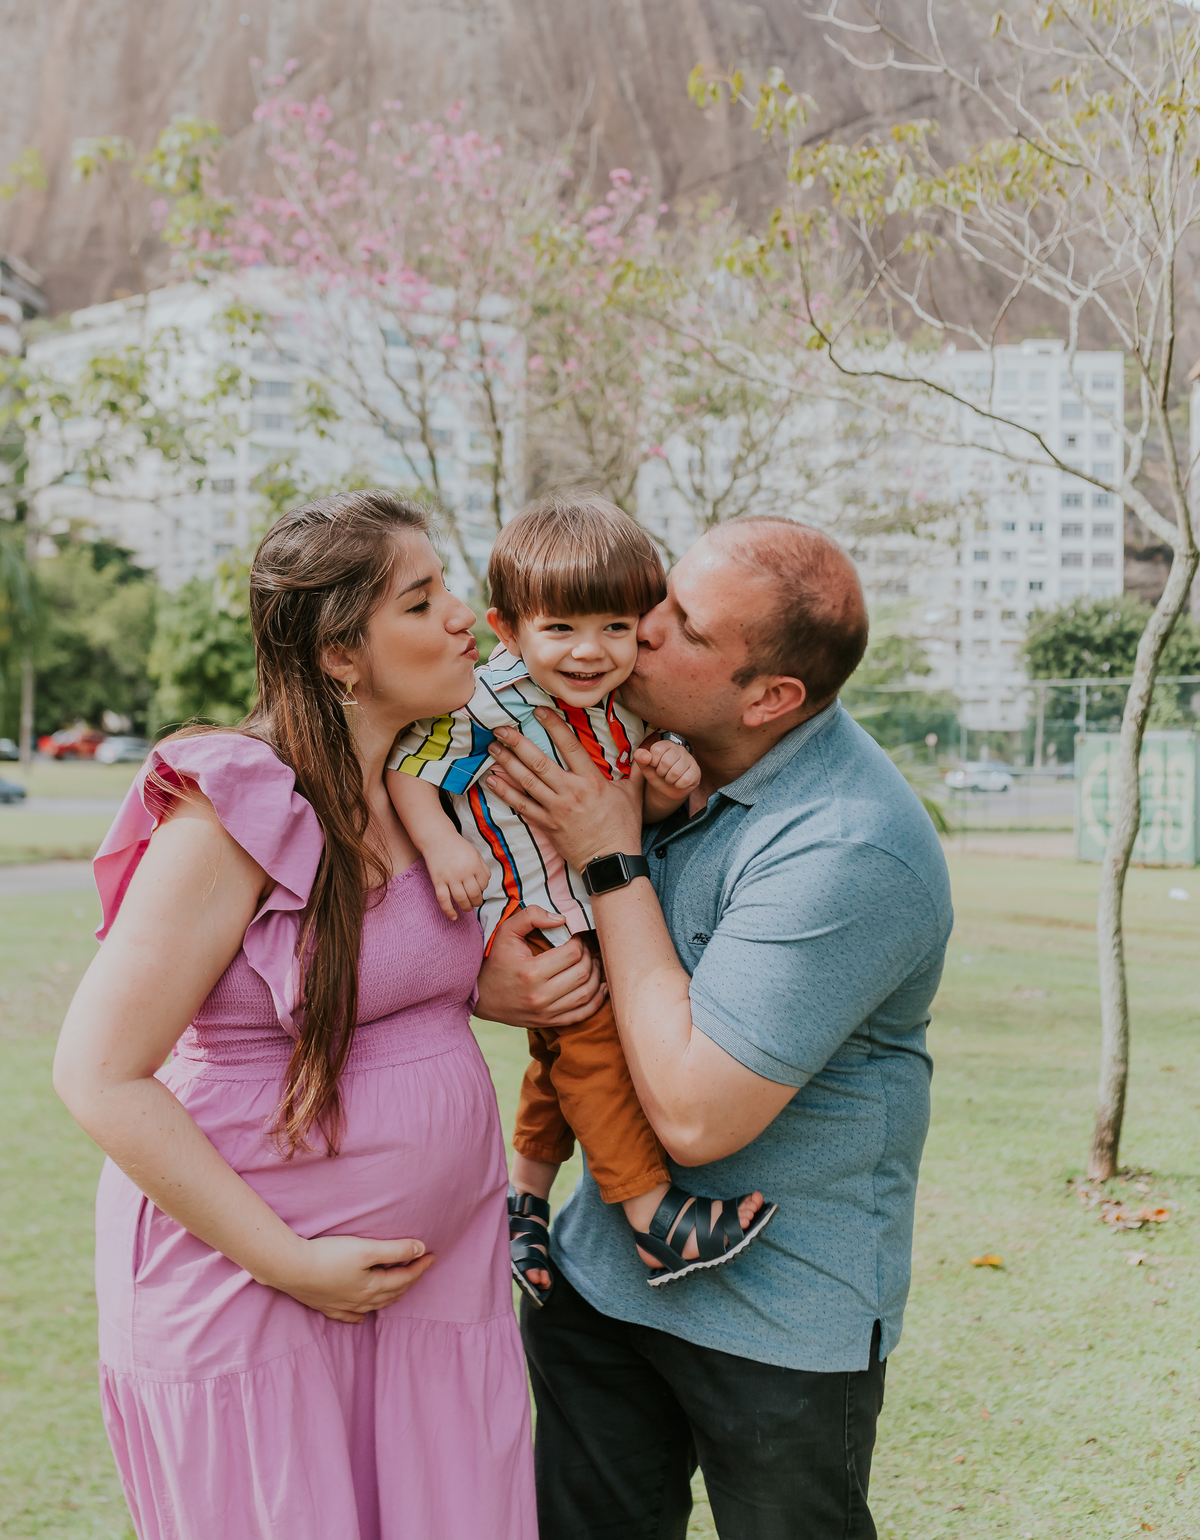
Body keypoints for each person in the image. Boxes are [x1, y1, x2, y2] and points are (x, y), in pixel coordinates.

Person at [52, 490, 601, 1540]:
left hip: (433, 1308)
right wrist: (286, 1259)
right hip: (255, 1290)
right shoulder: (231, 811)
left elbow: (355, 986)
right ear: (341, 653)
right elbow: (98, 1070)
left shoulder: (413, 787)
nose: (462, 617)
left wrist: (487, 986)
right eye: (421, 599)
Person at [483, 516, 955, 1540]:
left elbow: (697, 1114)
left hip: (778, 1319)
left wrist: (613, 859)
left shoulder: (847, 844)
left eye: (679, 623)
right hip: (599, 1284)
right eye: (662, 596)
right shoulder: (652, 756)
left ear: (771, 697)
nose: (638, 630)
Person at [386, 496, 774, 1302]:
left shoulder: (626, 706)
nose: (590, 651)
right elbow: (408, 769)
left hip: (591, 905)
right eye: (561, 629)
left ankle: (523, 1198)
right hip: (524, 911)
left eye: (615, 627)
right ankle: (652, 1216)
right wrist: (440, 842)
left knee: (561, 1057)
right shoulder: (485, 704)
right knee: (596, 1047)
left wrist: (667, 785)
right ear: (508, 629)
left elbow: (623, 814)